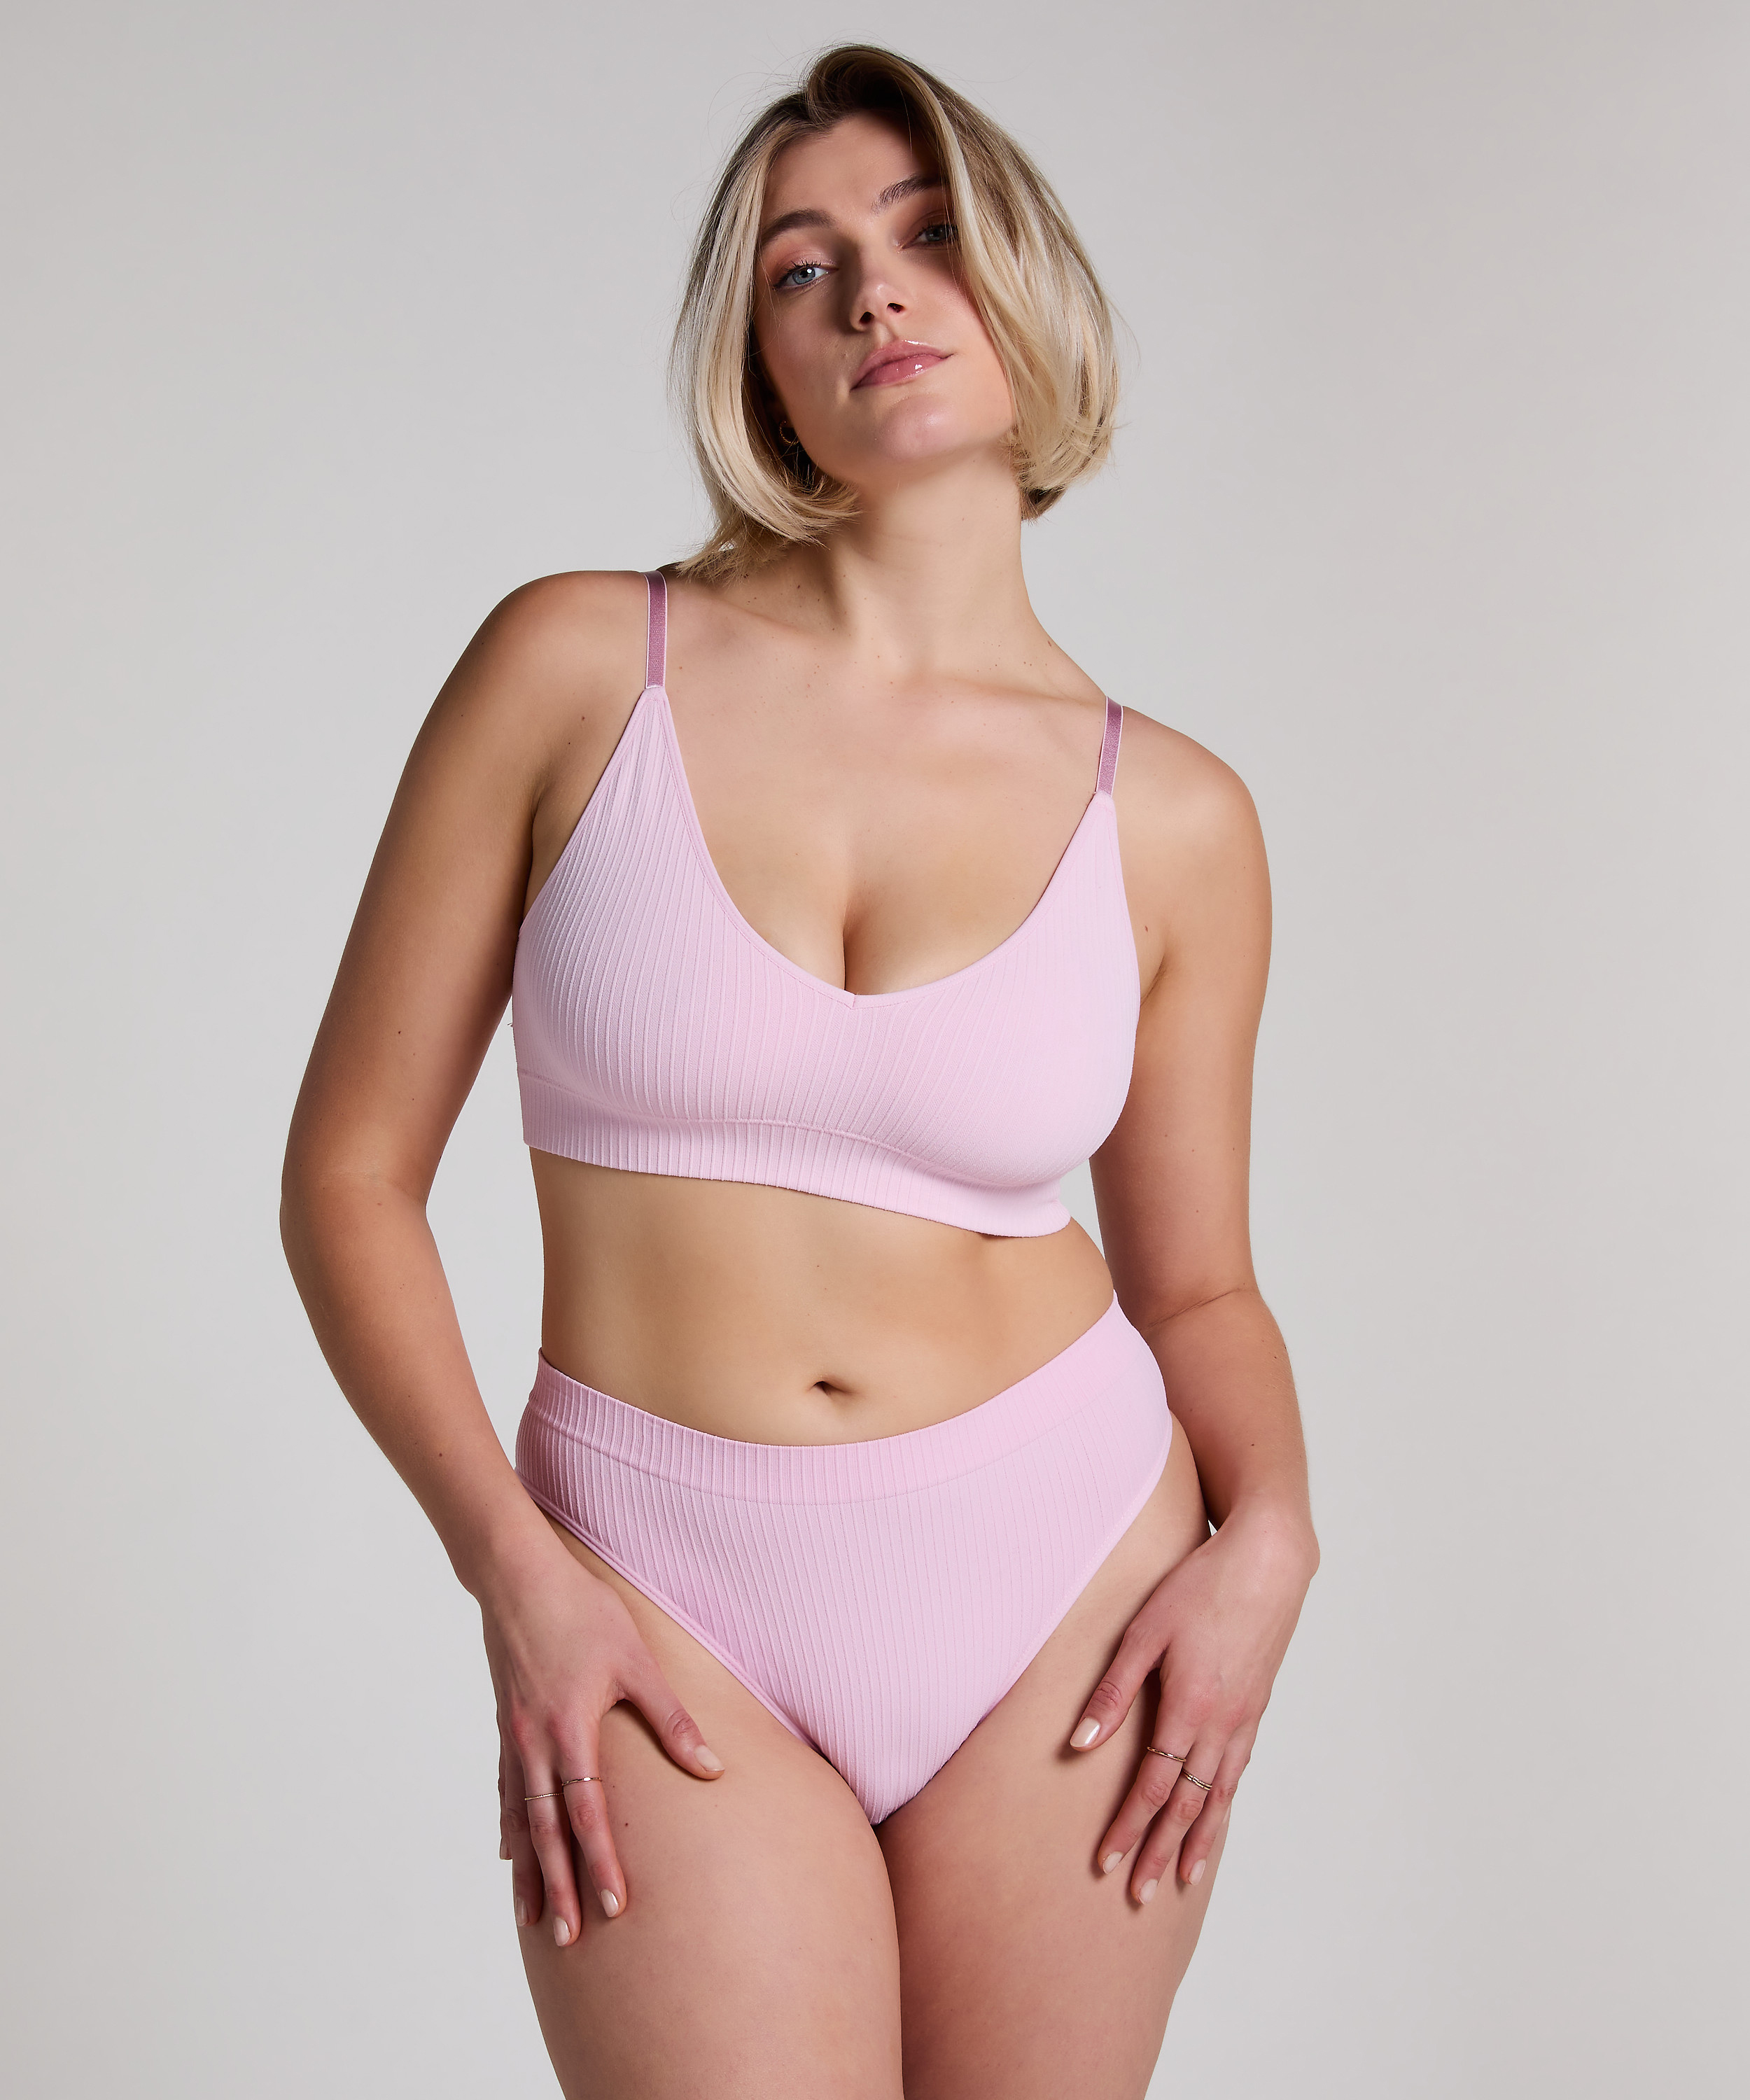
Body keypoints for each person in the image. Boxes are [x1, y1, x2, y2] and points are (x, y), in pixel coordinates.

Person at [281, 43, 1318, 2100]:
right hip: (655, 1587)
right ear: (758, 361)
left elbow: (1198, 1284)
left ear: (1028, 287)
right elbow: (349, 1176)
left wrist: (1273, 1533)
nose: (873, 292)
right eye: (801, 266)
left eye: (930, 234)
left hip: (1067, 1572)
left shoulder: (1178, 818)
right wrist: (512, 1568)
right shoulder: (577, 667)